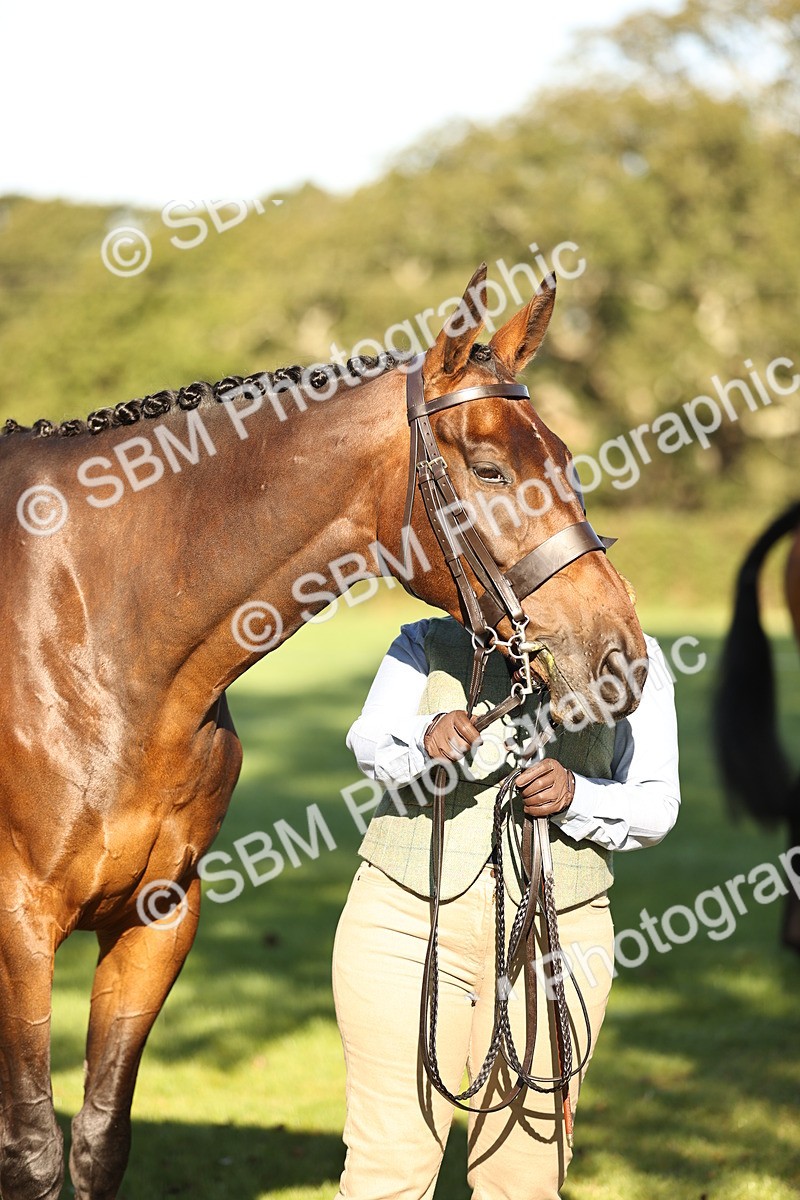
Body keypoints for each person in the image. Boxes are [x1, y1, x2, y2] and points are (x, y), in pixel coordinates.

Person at [332, 614, 680, 1200]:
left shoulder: (633, 655)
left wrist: (577, 796)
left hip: (557, 937)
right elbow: (367, 741)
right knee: (384, 1174)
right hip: (401, 921)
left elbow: (656, 803)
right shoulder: (424, 639)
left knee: (523, 1183)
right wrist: (426, 737)